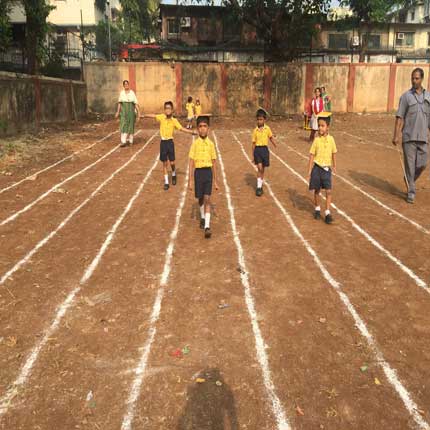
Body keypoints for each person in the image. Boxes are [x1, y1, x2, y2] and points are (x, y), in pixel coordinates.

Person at [392, 67, 430, 204]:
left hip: (423, 137)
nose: (414, 81)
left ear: (422, 79)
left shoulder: (428, 97)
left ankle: (409, 178)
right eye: (412, 78)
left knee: (423, 163)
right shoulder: (406, 97)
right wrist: (396, 135)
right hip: (408, 137)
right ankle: (411, 191)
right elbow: (399, 117)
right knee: (409, 165)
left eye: (417, 78)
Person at [144, 101, 195, 190]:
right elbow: (153, 115)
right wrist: (143, 115)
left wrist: (192, 132)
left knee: (172, 162)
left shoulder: (174, 120)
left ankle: (174, 173)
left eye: (169, 108)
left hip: (170, 143)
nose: (167, 110)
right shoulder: (161, 117)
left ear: (172, 110)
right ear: (164, 110)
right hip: (163, 143)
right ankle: (167, 182)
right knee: (164, 163)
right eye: (166, 108)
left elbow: (182, 128)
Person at [188, 115, 218, 239]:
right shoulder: (195, 144)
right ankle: (202, 216)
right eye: (200, 126)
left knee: (207, 198)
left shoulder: (211, 144)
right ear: (197, 128)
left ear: (208, 128)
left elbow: (214, 163)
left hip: (208, 173)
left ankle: (207, 226)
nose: (202, 129)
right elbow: (191, 162)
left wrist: (216, 180)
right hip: (198, 173)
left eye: (205, 126)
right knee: (200, 198)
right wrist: (190, 180)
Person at [307, 114, 337, 224]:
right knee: (317, 190)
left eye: (322, 126)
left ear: (328, 127)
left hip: (326, 170)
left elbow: (334, 152)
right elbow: (311, 155)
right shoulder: (316, 140)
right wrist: (310, 170)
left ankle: (328, 212)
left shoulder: (331, 140)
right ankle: (317, 209)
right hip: (317, 169)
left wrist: (334, 165)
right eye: (319, 125)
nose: (320, 128)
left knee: (328, 191)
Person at [252, 108, 277, 196]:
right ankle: (258, 187)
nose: (259, 121)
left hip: (265, 150)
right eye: (258, 119)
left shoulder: (267, 129)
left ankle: (260, 184)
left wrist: (274, 144)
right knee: (259, 167)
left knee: (263, 169)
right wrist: (253, 155)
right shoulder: (255, 130)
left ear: (264, 120)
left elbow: (270, 137)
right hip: (258, 150)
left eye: (261, 119)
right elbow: (253, 143)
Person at [115, 80, 139, 147]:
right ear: (123, 86)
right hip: (124, 112)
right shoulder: (122, 93)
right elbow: (119, 103)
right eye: (125, 84)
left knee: (131, 125)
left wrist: (139, 113)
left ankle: (131, 141)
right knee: (123, 125)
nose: (126, 85)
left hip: (131, 112)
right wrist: (117, 112)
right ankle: (123, 141)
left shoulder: (132, 93)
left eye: (127, 84)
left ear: (129, 85)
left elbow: (135, 103)